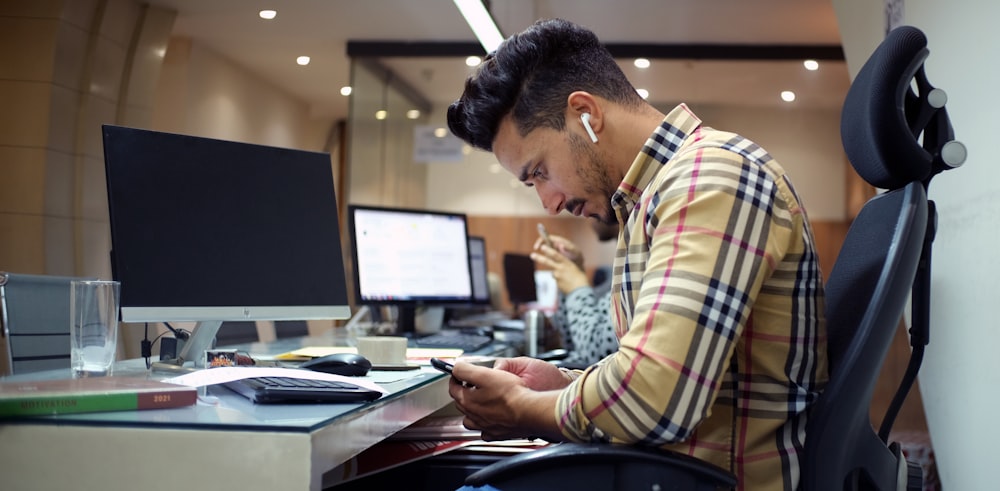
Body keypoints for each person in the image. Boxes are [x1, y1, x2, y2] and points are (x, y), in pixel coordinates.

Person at [445, 18, 828, 491]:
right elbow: (655, 369)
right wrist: (561, 384)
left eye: (539, 172)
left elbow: (654, 398)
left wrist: (521, 409)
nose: (549, 203)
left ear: (586, 113)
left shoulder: (710, 179)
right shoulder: (651, 200)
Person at [530, 220, 618, 366]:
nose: (584, 217)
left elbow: (599, 357)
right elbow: (571, 343)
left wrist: (577, 288)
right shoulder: (618, 270)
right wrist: (574, 274)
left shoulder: (636, 268)